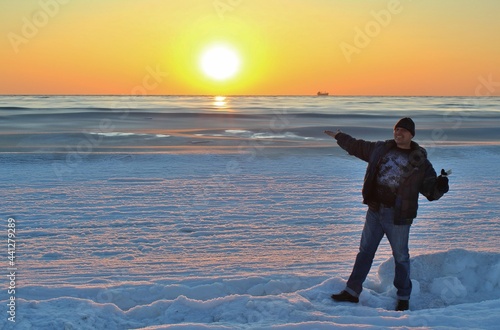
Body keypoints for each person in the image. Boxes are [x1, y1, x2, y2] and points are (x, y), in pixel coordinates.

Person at [324, 117, 449, 311]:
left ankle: (403, 297)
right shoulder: (381, 149)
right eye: (396, 129)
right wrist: (340, 136)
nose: (399, 133)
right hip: (374, 211)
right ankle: (352, 291)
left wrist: (440, 186)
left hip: (398, 216)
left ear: (411, 135)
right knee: (364, 252)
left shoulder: (420, 162)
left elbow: (431, 192)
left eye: (403, 131)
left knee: (401, 257)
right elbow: (357, 146)